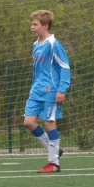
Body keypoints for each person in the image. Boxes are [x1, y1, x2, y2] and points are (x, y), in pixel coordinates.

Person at [23, 10, 70, 173]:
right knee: (28, 122)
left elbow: (64, 66)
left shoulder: (53, 44)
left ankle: (54, 163)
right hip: (36, 91)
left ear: (45, 26)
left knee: (49, 123)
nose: (32, 27)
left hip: (51, 90)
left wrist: (62, 89)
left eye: (35, 24)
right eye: (31, 24)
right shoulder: (36, 45)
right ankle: (54, 151)